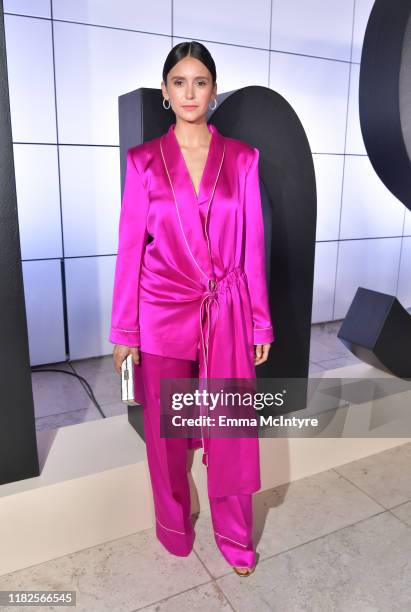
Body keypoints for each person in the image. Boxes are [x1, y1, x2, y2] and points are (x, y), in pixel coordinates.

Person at [109, 40, 274, 577]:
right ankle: (174, 525)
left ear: (214, 90)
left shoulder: (243, 158)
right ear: (164, 92)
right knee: (166, 434)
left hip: (226, 310)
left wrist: (259, 320)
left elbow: (251, 247)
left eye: (199, 82)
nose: (189, 92)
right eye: (179, 82)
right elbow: (131, 248)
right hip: (161, 310)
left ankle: (235, 536)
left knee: (228, 427)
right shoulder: (142, 162)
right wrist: (124, 330)